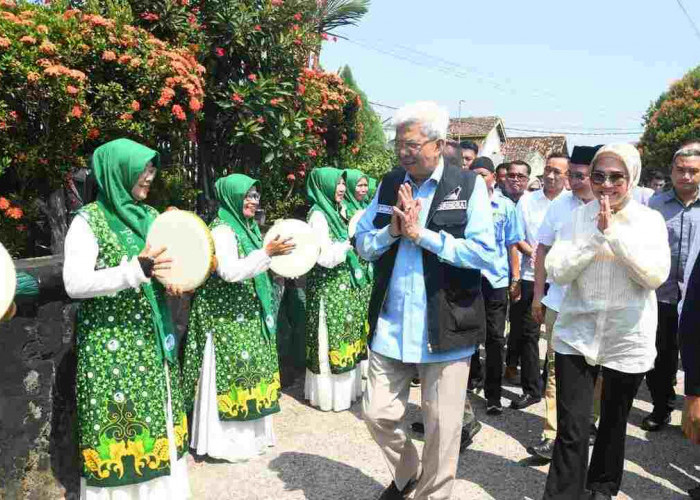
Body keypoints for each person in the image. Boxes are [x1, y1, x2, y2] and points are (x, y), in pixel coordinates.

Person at [357, 101, 495, 500]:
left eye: (412, 143)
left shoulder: (466, 187)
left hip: (446, 325)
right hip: (392, 325)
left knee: (442, 427)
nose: (404, 150)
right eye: (399, 142)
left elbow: (485, 253)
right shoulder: (387, 185)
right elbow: (364, 244)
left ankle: (433, 494)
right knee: (377, 412)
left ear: (438, 144)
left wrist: (425, 237)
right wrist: (393, 233)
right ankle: (408, 474)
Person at [63, 138, 190, 499]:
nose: (149, 176)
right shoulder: (88, 222)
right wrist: (132, 272)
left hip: (152, 342)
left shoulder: (150, 217)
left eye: (152, 169)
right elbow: (75, 283)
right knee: (122, 426)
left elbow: (161, 267)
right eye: (142, 169)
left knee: (155, 419)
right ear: (117, 172)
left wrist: (173, 282)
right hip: (112, 348)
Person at [542, 143, 670, 500]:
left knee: (613, 423)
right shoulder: (576, 217)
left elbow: (654, 276)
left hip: (626, 337)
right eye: (599, 176)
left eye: (617, 177)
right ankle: (563, 495)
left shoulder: (649, 221)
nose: (606, 185)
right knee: (572, 426)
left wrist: (613, 234)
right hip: (576, 335)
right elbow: (558, 270)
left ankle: (601, 487)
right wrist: (595, 235)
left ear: (632, 179)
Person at [182, 174, 294, 461]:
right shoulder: (222, 230)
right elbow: (230, 272)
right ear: (231, 196)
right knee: (230, 375)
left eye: (255, 196)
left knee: (249, 373)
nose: (252, 201)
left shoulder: (247, 228)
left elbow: (256, 262)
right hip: (224, 320)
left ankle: (251, 439)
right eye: (246, 195)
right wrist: (267, 254)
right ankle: (226, 445)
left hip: (245, 315)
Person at [527, 145, 598, 461]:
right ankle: (551, 433)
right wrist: (538, 296)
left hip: (600, 307)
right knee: (556, 369)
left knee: (598, 370)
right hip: (559, 302)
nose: (577, 181)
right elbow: (542, 250)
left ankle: (589, 423)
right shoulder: (559, 208)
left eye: (582, 175)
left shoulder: (613, 207)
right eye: (574, 175)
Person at [642, 142, 700, 432]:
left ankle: (693, 414)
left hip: (696, 299)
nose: (686, 177)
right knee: (660, 356)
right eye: (681, 170)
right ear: (672, 171)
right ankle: (661, 406)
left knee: (695, 357)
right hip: (662, 295)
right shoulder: (655, 205)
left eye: (693, 171)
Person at [304, 167, 369, 412]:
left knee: (344, 335)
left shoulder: (337, 210)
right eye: (337, 184)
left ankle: (345, 393)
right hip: (328, 290)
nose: (342, 188)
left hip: (342, 288)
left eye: (343, 183)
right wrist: (349, 244)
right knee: (329, 337)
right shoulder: (318, 216)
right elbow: (323, 257)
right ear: (323, 186)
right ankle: (328, 397)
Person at [508, 154, 568, 410]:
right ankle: (532, 388)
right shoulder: (527, 201)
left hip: (562, 280)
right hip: (533, 277)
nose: (551, 176)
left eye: (557, 171)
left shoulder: (573, 204)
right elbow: (517, 236)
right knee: (528, 334)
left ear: (567, 175)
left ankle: (551, 383)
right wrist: (530, 252)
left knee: (557, 336)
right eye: (548, 170)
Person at [469, 156, 524, 415]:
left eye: (484, 174)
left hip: (496, 280)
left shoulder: (505, 207)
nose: (480, 179)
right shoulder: (461, 204)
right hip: (467, 278)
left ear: (493, 177)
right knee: (465, 335)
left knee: (494, 338)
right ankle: (467, 384)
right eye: (475, 174)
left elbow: (512, 244)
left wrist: (515, 279)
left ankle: (493, 395)